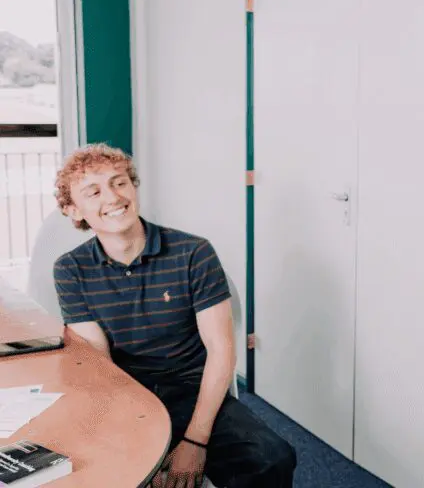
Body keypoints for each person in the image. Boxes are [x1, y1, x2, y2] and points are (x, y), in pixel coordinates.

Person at [51, 143, 297, 488]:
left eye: (119, 182)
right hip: (126, 394)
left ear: (133, 187)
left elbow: (221, 351)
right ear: (73, 210)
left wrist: (195, 442)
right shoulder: (70, 269)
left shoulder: (193, 252)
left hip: (190, 389)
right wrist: (136, 441)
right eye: (93, 191)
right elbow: (98, 362)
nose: (113, 197)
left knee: (272, 458)